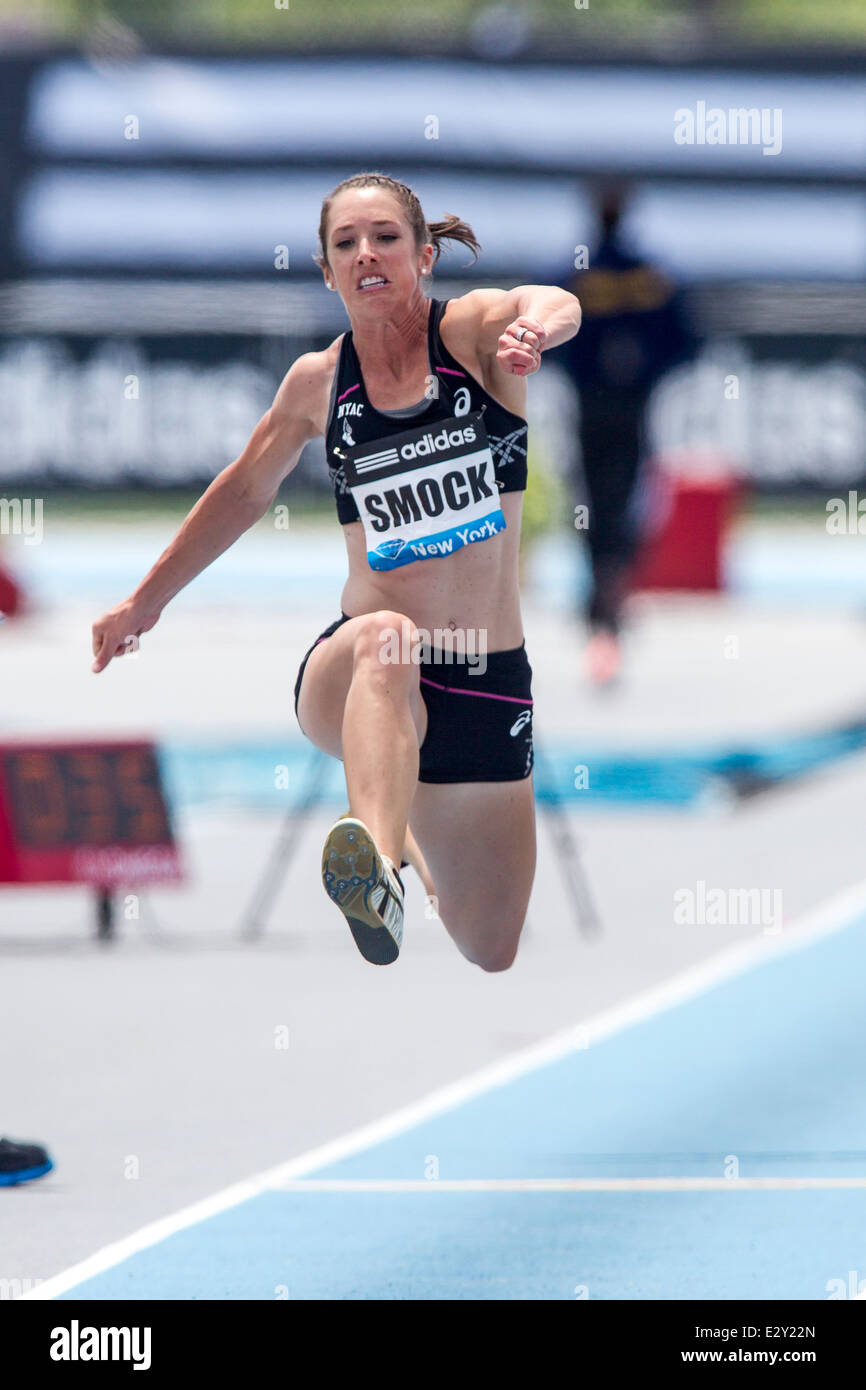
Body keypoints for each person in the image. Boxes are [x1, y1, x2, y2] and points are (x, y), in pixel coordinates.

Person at [91, 172, 581, 970]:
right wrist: (145, 602)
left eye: (385, 237)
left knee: (490, 945)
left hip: (487, 679)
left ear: (424, 255)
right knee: (388, 638)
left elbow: (555, 299)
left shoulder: (475, 338)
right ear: (326, 271)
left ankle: (401, 826)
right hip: (361, 668)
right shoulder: (319, 384)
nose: (366, 254)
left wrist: (540, 333)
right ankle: (380, 866)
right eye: (345, 244)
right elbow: (245, 489)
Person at [554, 183, 695, 684]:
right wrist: (638, 371)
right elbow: (685, 335)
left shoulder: (587, 273)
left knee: (602, 497)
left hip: (614, 405)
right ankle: (607, 589)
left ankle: (608, 589)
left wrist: (607, 372)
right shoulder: (632, 274)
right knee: (609, 497)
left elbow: (683, 334)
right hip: (612, 405)